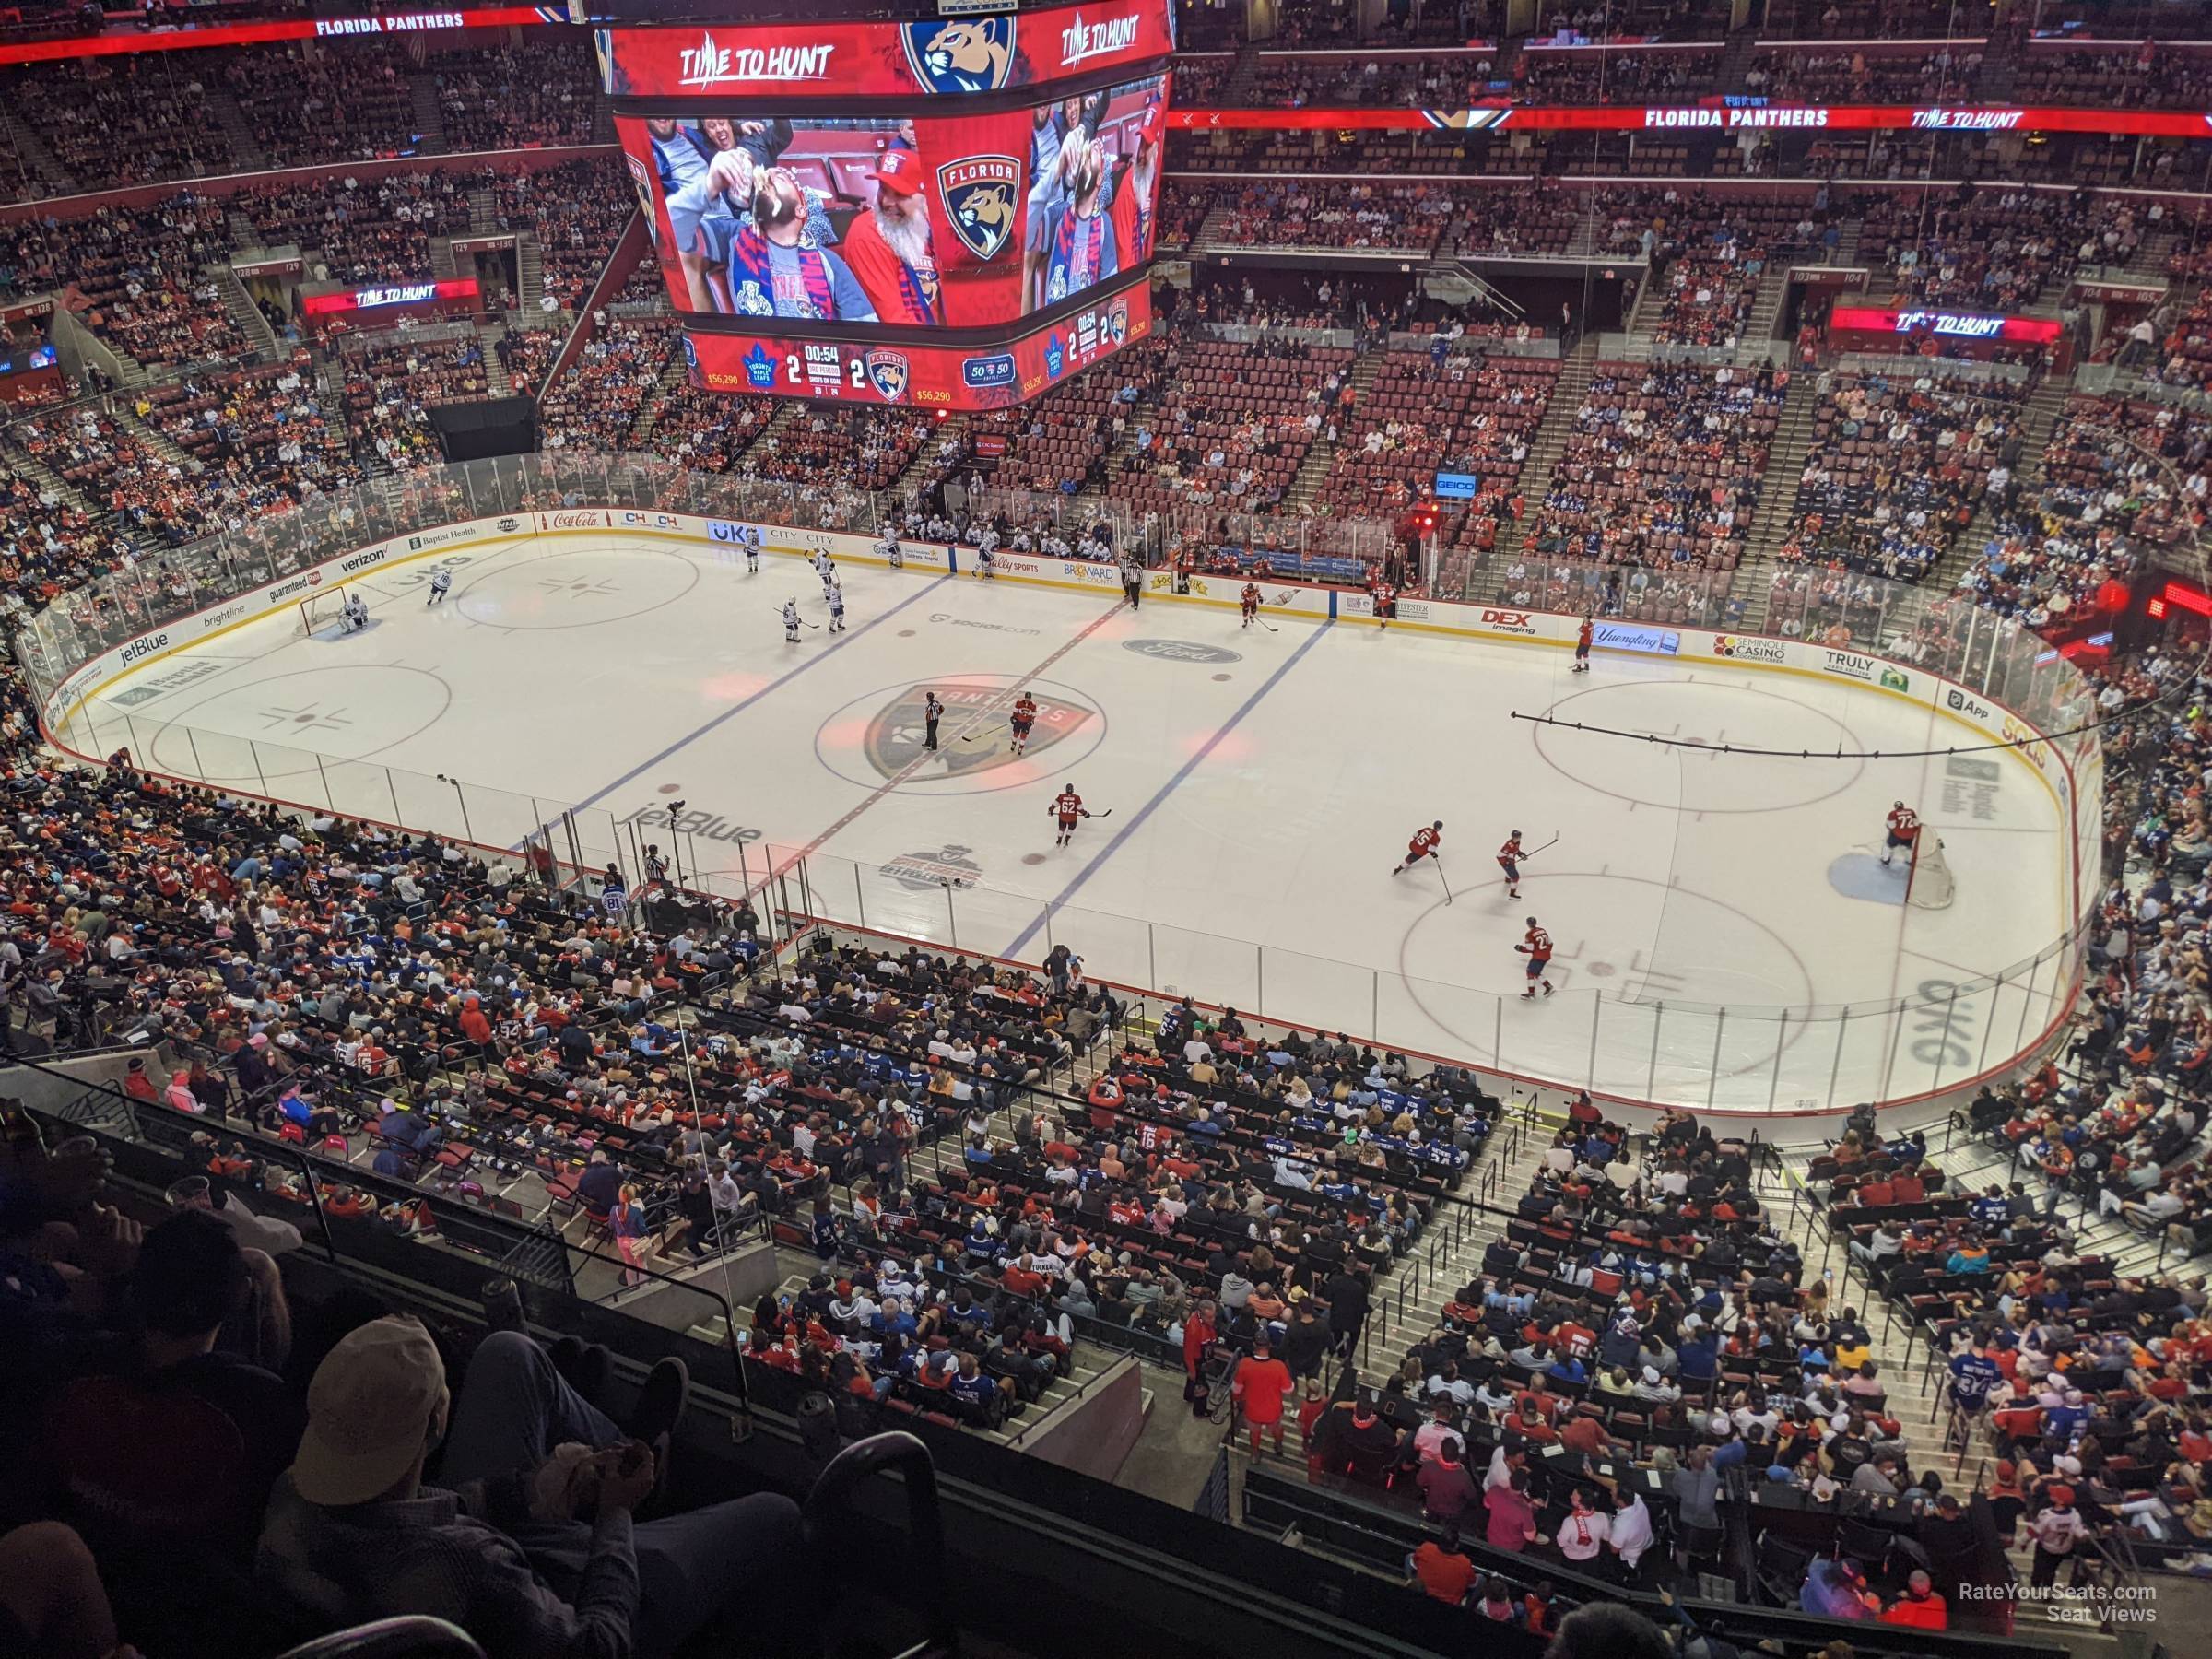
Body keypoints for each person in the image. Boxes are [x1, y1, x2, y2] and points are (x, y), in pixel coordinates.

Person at [258, 1318, 807, 1659]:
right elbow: (597, 1646)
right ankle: (639, 1492)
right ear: (435, 1426)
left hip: (474, 1585)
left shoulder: (291, 1493)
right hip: (562, 1607)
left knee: (508, 1350)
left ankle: (628, 1456)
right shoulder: (469, 1566)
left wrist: (532, 1490)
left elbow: (420, 1513)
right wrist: (615, 1515)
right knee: (776, 1512)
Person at [841, 149, 942, 326]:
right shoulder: (866, 235)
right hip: (908, 346)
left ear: (924, 199)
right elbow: (896, 323)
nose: (887, 202)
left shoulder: (929, 224)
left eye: (900, 194)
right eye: (883, 189)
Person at [1230, 1335, 1293, 1455]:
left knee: (1254, 1433)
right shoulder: (1279, 1366)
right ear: (1270, 1346)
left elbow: (1236, 1389)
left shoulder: (1245, 1363)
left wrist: (1237, 1400)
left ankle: (1254, 1454)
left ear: (1254, 1345)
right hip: (1273, 1410)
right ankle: (1278, 1446)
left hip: (1252, 1410)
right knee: (1276, 1429)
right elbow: (1288, 1390)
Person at [1406, 1522, 1478, 1606]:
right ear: (1456, 1545)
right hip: (1449, 1602)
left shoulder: (1426, 1548)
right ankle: (1468, 1605)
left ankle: (1411, 1583)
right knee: (1481, 1579)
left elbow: (1414, 1563)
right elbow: (1473, 1584)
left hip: (1423, 1592)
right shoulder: (1464, 1563)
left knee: (1409, 1557)